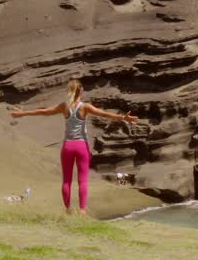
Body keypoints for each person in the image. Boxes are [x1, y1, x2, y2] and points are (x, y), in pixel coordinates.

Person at [10, 78, 137, 215]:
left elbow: (44, 111)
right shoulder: (85, 107)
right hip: (81, 146)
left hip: (67, 146)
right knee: (82, 181)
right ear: (81, 91)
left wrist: (22, 113)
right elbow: (104, 114)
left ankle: (67, 209)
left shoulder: (64, 106)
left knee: (66, 181)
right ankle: (82, 210)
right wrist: (124, 118)